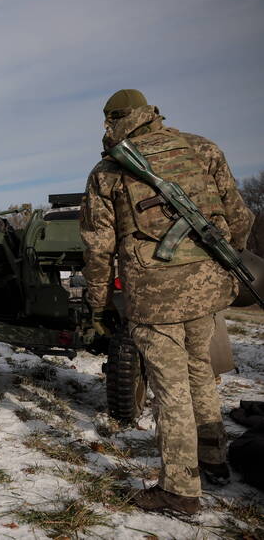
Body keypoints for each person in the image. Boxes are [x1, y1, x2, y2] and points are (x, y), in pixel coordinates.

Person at [80, 89, 254, 514]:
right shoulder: (202, 148)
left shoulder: (108, 171)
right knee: (201, 372)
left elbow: (98, 249)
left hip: (154, 298)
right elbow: (240, 217)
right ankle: (213, 460)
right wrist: (220, 264)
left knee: (170, 388)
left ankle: (179, 490)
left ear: (113, 121)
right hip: (207, 289)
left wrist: (100, 304)